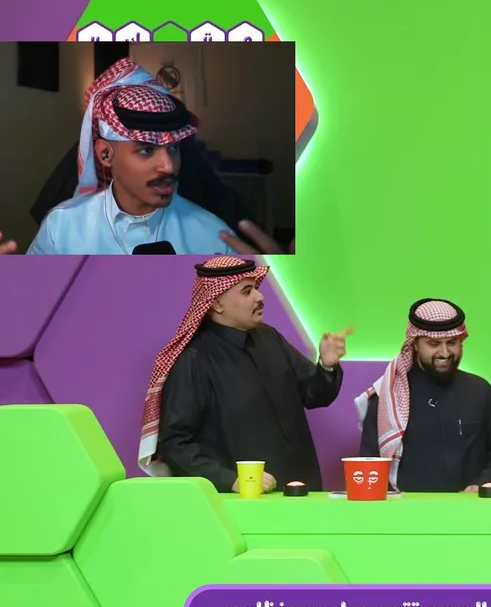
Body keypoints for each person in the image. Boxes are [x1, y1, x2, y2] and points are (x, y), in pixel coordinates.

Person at [139, 256, 352, 493]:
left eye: (256, 289)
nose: (260, 297)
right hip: (242, 502)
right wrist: (231, 480)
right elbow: (175, 444)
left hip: (300, 491)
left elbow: (315, 395)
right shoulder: (194, 360)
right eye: (247, 291)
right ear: (217, 304)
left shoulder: (270, 338)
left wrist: (327, 365)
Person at [26, 58, 238, 255]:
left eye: (173, 148)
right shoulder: (62, 228)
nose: (169, 166)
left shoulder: (214, 237)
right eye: (147, 150)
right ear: (106, 154)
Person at [355, 299, 491, 493]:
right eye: (434, 344)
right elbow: (370, 460)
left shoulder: (480, 390)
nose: (444, 353)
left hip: (469, 508)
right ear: (415, 344)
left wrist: (485, 482)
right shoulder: (390, 396)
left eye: (452, 343)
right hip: (406, 508)